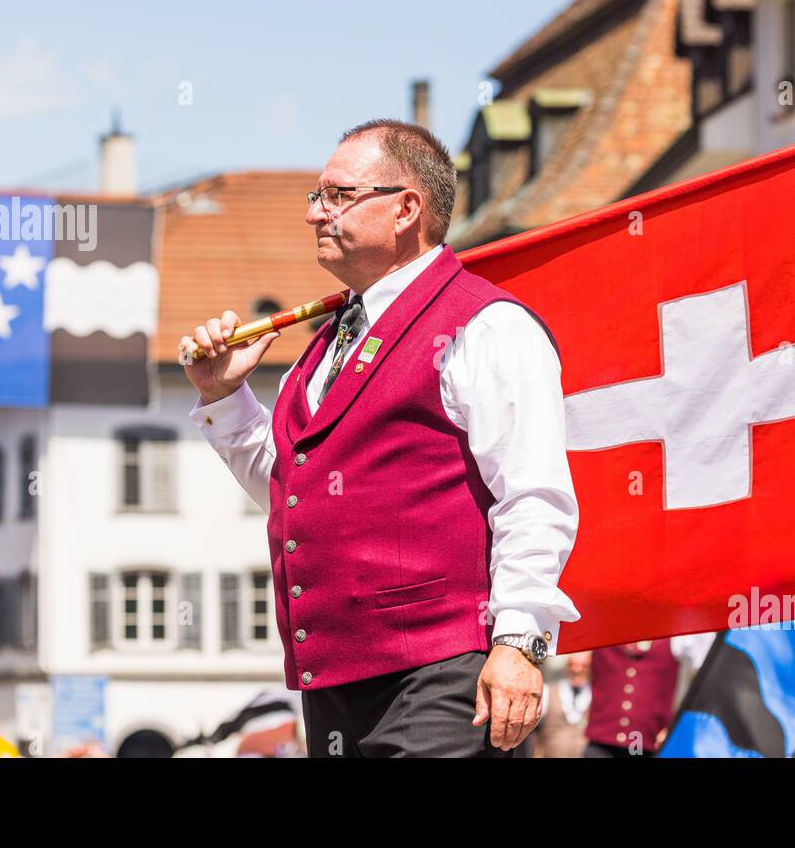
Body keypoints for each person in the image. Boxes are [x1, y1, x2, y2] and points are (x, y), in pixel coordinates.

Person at [181, 119, 579, 757]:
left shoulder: (486, 324)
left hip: (443, 671)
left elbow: (533, 495)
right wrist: (223, 397)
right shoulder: (328, 342)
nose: (316, 214)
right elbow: (296, 490)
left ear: (405, 209)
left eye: (338, 196)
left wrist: (519, 641)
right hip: (336, 681)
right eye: (316, 197)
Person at [581, 634, 713, 757]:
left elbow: (703, 676)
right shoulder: (602, 627)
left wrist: (675, 725)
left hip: (647, 745)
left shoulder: (677, 636)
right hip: (601, 743)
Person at [530, 653, 593, 758]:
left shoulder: (597, 695)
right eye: (572, 665)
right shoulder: (548, 692)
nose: (577, 670)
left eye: (584, 665)